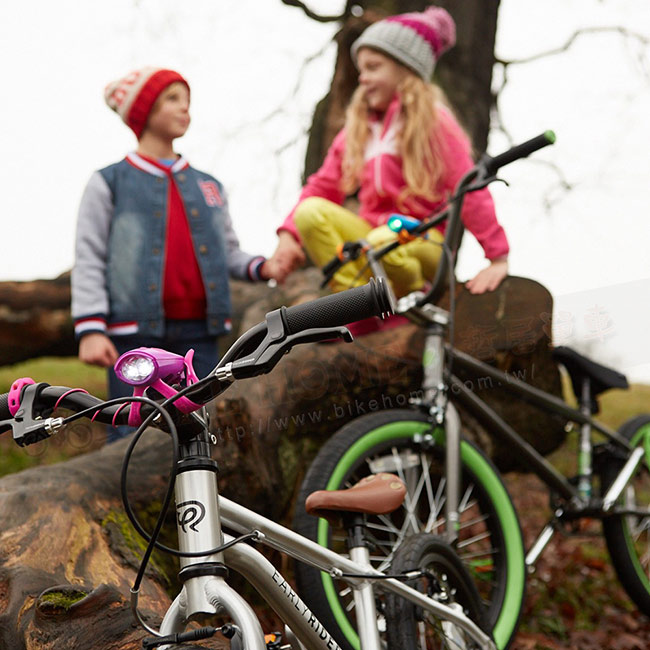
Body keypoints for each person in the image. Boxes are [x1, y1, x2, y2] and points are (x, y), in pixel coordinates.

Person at [71, 67, 286, 442]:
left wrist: (262, 266)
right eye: (172, 98)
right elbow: (90, 255)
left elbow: (228, 251)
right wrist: (90, 327)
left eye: (187, 100)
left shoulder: (208, 185)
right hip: (132, 337)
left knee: (200, 433)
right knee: (131, 435)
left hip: (198, 338)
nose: (185, 108)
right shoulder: (110, 182)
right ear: (143, 111)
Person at [273, 6, 509, 302]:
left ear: (405, 69)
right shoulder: (359, 130)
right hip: (374, 238)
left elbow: (470, 188)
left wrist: (498, 257)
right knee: (311, 214)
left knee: (384, 240)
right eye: (361, 70)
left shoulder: (434, 123)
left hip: (425, 240)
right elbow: (322, 185)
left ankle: (410, 296)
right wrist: (288, 235)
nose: (363, 79)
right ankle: (356, 307)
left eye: (373, 68)